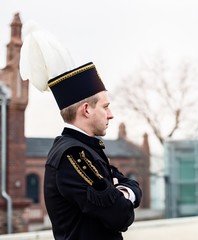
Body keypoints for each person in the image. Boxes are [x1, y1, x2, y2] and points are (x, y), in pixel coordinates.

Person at [19, 23, 142, 240]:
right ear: (86, 109)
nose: (111, 114)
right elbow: (120, 216)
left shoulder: (86, 148)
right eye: (105, 107)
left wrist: (122, 192)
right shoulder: (73, 155)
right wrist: (119, 194)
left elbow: (132, 184)